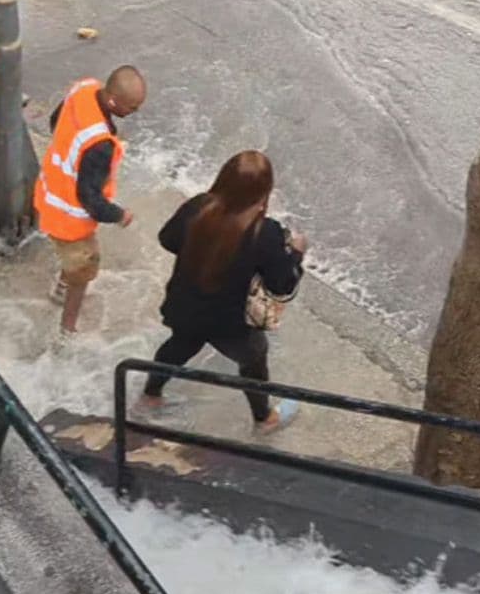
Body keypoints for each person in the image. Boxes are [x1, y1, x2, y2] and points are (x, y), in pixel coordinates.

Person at [133, 150, 305, 434]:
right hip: (230, 321)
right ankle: (264, 418)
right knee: (253, 360)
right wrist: (296, 254)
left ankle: (151, 395)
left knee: (179, 346)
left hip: (185, 305)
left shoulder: (197, 207)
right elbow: (282, 285)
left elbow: (168, 239)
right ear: (264, 191)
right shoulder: (265, 232)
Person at [34, 65, 146, 333]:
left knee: (71, 263)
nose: (134, 112)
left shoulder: (84, 89)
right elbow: (90, 200)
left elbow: (55, 120)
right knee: (83, 269)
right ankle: (67, 329)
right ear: (112, 101)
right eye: (131, 107)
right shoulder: (100, 145)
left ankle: (62, 284)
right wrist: (119, 215)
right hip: (70, 221)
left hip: (49, 192)